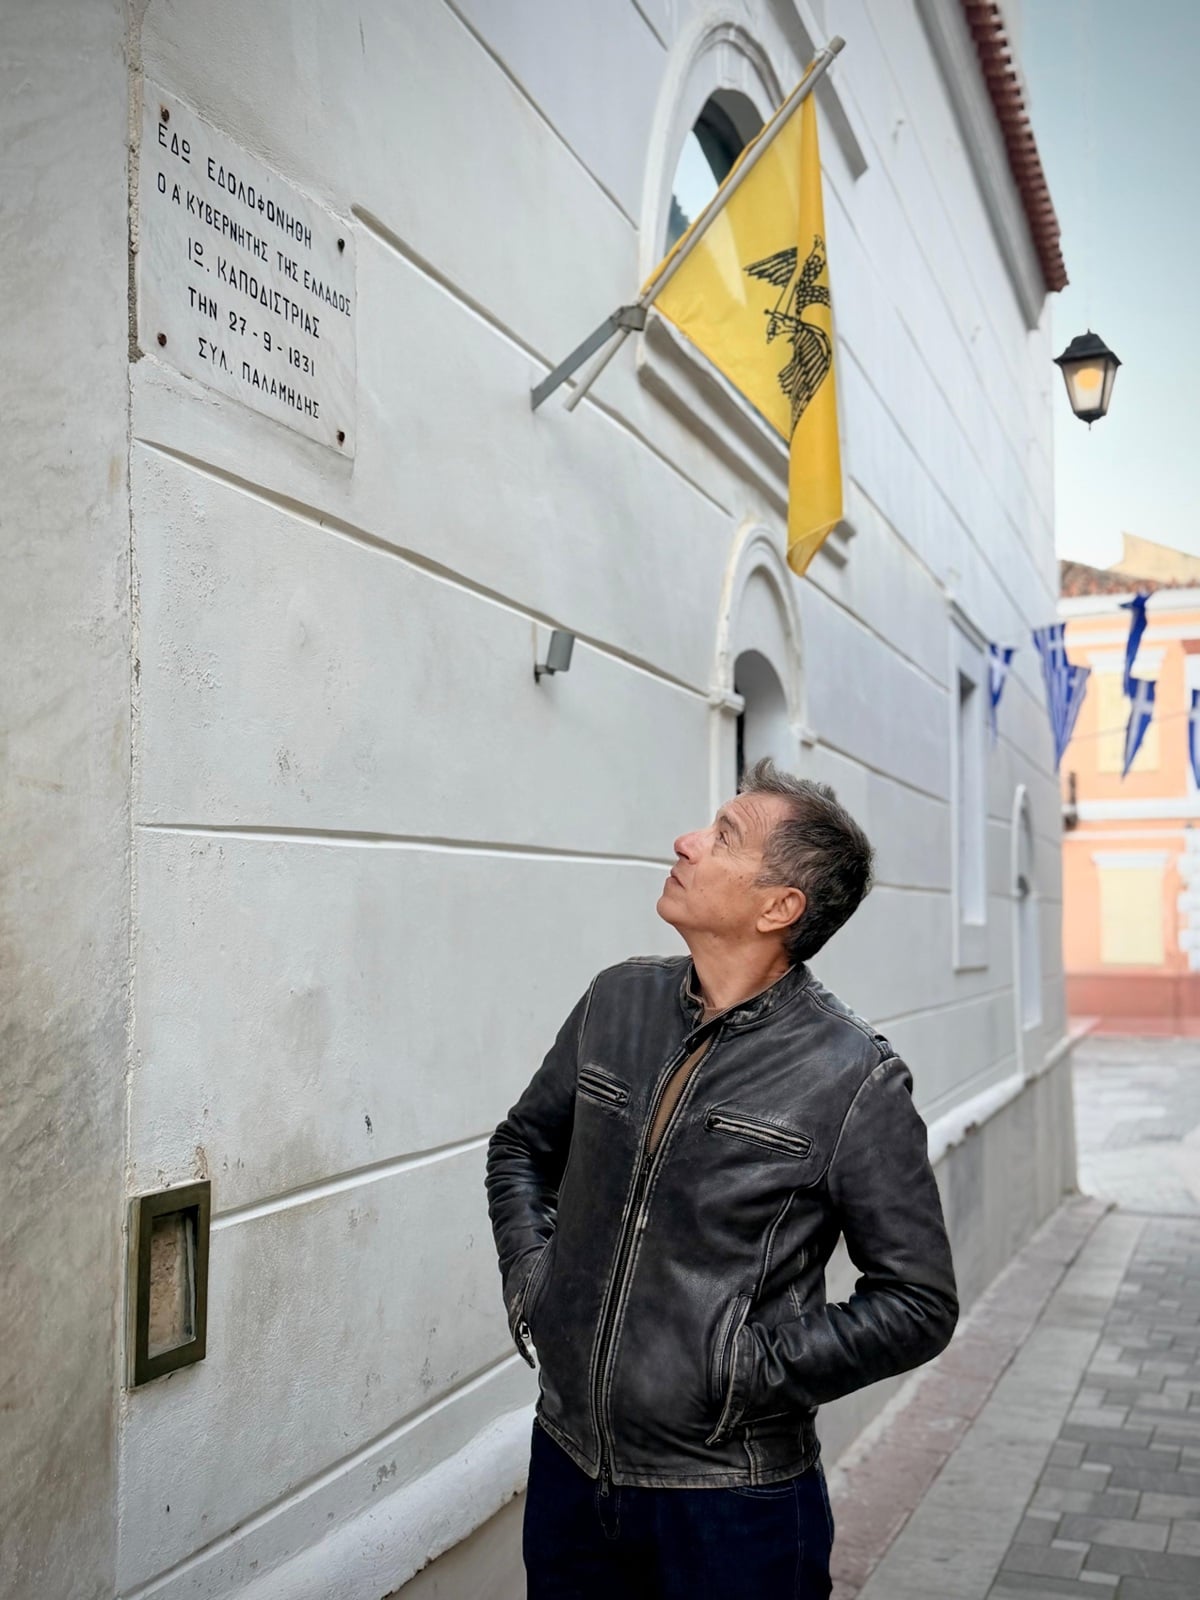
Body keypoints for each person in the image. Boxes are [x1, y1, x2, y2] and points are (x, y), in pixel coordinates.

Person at [486, 759, 958, 1599]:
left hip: (732, 1506)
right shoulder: (616, 1001)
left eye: (724, 836)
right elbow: (522, 1146)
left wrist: (742, 1370)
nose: (687, 842)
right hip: (569, 1467)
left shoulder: (852, 1075)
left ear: (779, 908)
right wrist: (534, 1279)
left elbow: (917, 1303)